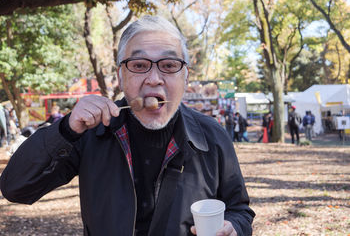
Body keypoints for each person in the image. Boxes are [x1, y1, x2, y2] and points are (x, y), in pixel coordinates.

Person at [1, 16, 255, 236]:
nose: (154, 79)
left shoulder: (212, 137)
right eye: (139, 65)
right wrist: (65, 130)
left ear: (186, 76)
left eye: (168, 66)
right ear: (121, 76)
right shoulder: (92, 132)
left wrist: (234, 227)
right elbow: (16, 188)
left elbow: (240, 210)